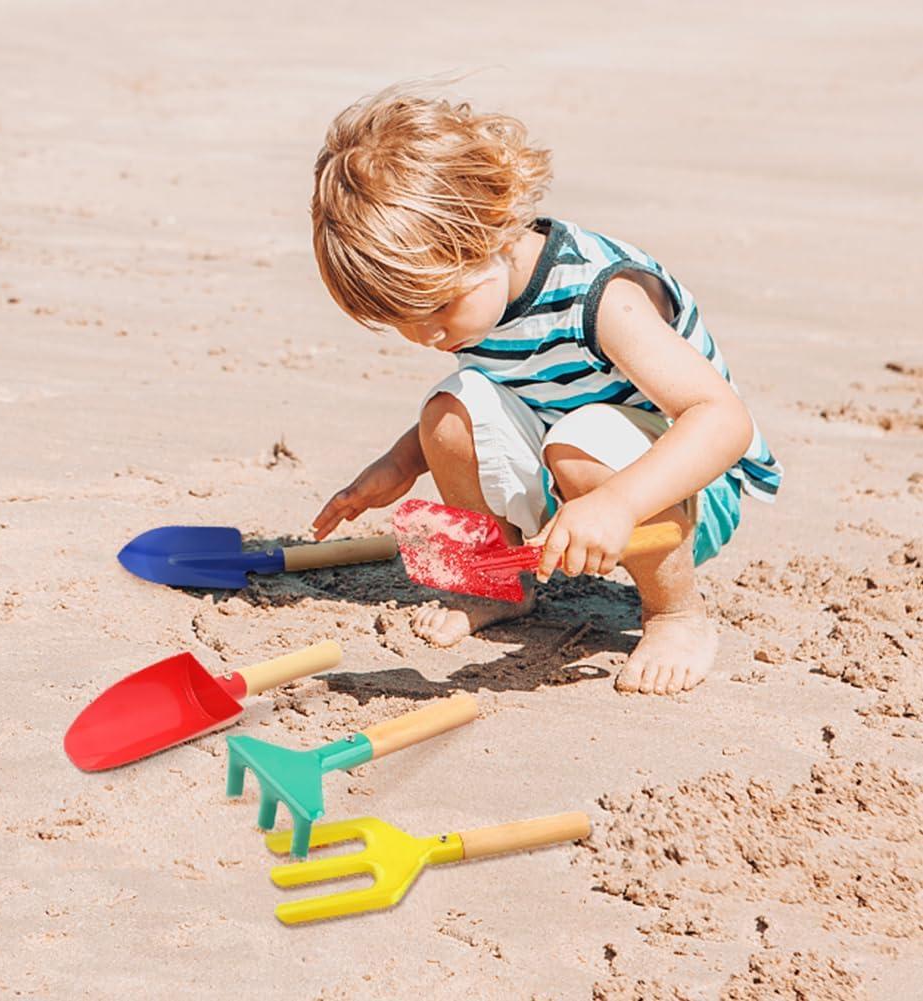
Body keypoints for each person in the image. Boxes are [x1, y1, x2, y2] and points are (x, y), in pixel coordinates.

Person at [309, 86, 782, 696]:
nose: (427, 335)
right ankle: (492, 583)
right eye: (402, 321)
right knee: (447, 414)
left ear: (498, 228)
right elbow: (508, 389)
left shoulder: (603, 297)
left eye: (438, 308)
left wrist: (617, 503)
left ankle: (675, 614)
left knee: (577, 445)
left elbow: (722, 420)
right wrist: (402, 462)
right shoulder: (472, 295)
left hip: (683, 493)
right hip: (574, 489)